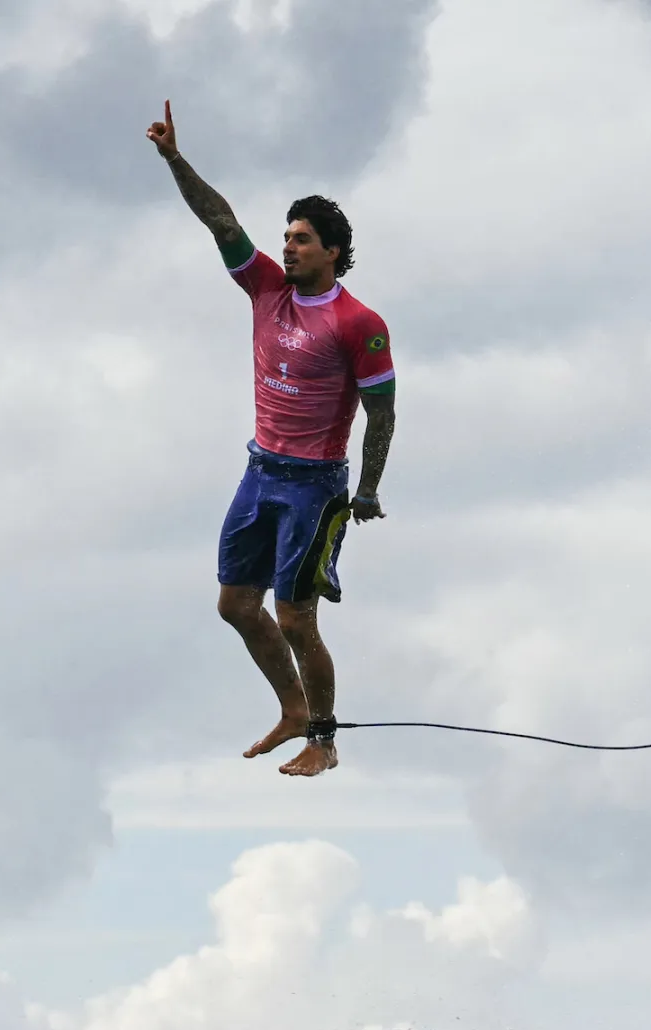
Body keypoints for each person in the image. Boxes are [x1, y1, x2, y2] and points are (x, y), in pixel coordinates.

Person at [146, 100, 397, 778]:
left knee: (294, 617)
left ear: (333, 252)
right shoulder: (265, 289)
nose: (287, 246)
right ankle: (291, 708)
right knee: (235, 605)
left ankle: (324, 738)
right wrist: (174, 159)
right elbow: (219, 219)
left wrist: (367, 489)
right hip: (260, 471)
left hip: (315, 487)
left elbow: (382, 412)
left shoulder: (358, 322)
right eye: (286, 237)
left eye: (301, 240)